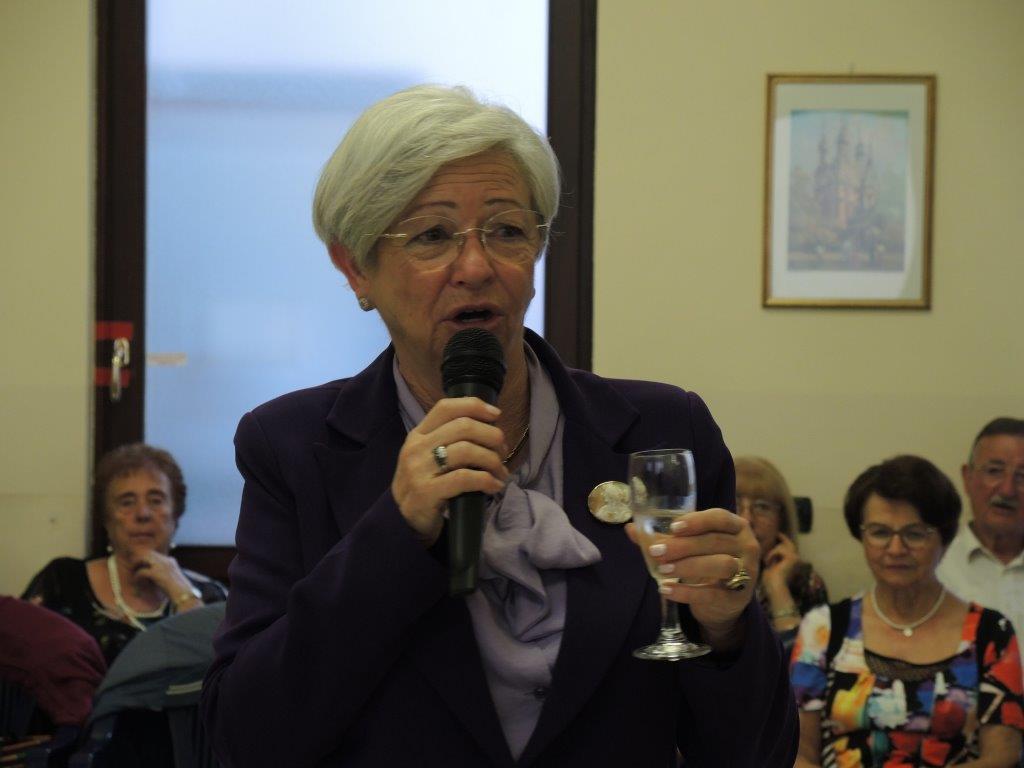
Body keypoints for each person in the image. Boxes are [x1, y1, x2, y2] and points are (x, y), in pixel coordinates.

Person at [200, 84, 798, 767]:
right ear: (355, 266)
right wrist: (395, 534)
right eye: (432, 236)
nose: (477, 267)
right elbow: (240, 742)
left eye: (508, 231)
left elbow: (757, 754)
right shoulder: (293, 447)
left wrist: (727, 631)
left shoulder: (664, 430)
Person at [791, 455, 1024, 767]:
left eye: (915, 533)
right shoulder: (823, 627)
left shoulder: (991, 631)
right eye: (880, 532)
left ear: (944, 538)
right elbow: (797, 752)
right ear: (861, 536)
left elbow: (1003, 756)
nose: (896, 549)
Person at [22, 443, 227, 665]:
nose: (142, 514)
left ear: (176, 514)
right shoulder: (63, 582)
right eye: (127, 502)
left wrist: (184, 596)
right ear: (107, 519)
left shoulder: (211, 595)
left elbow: (221, 671)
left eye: (156, 500)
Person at [937, 417, 1024, 640]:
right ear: (967, 478)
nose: (1007, 490)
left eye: (1022, 476)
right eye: (994, 471)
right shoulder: (933, 565)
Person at [734, 456, 828, 651]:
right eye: (734, 504)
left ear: (781, 520)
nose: (747, 519)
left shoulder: (805, 582)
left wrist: (777, 587)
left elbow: (806, 662)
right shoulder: (697, 574)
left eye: (762, 507)